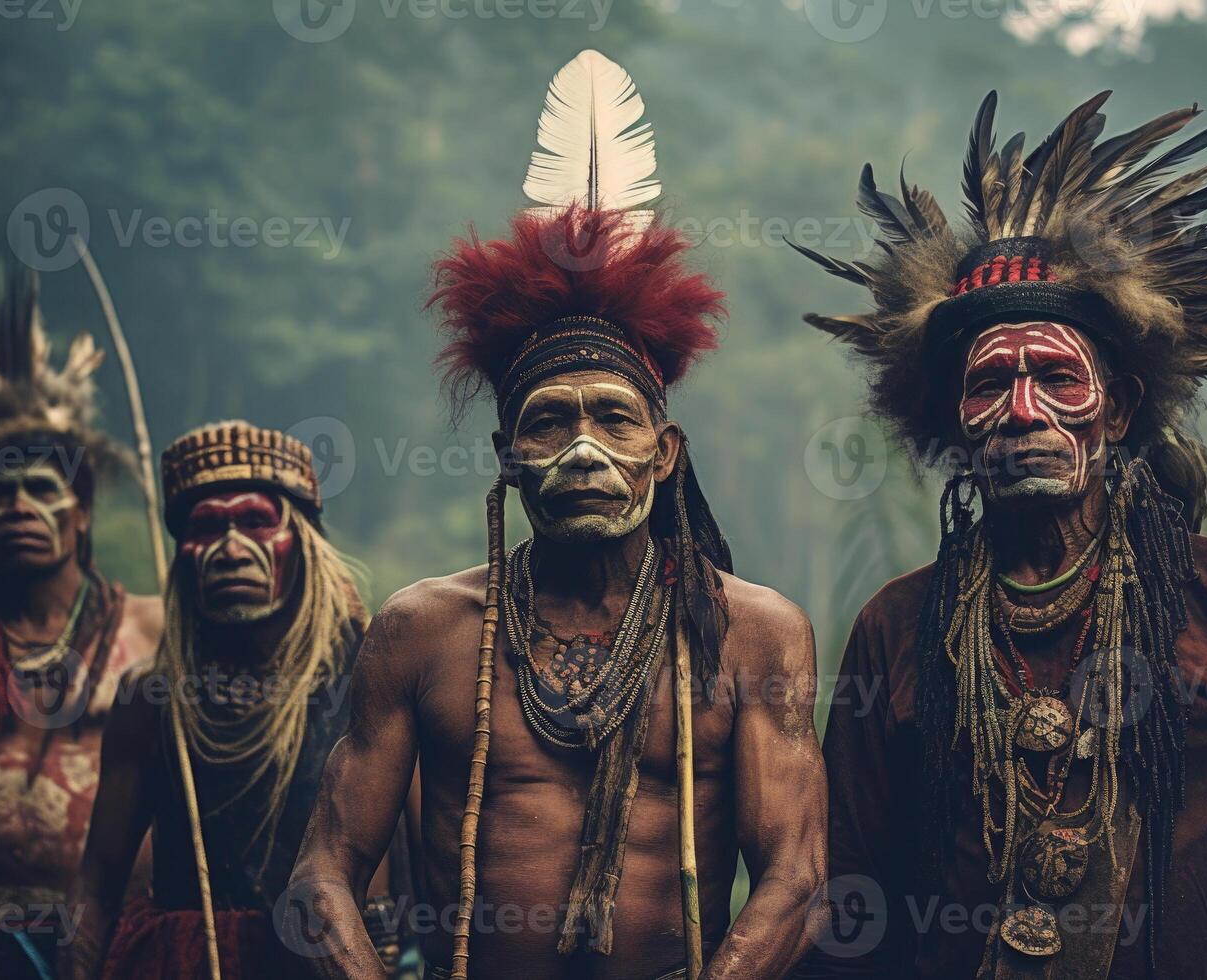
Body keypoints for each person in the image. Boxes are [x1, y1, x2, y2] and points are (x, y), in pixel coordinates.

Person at [792, 90, 1207, 978]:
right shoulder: (896, 627)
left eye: (1057, 377)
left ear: (1118, 410)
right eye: (990, 384)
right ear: (954, 425)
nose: (1021, 411)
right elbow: (845, 911)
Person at [288, 49, 827, 980]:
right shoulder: (426, 632)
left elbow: (797, 878)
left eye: (614, 417)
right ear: (508, 457)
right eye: (549, 422)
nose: (583, 449)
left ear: (664, 454)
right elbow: (324, 874)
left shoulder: (751, 634)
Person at [59, 421, 384, 979]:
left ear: (301, 541)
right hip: (190, 960)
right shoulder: (152, 698)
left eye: (257, 521)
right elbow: (100, 879)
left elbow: (439, 857)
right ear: (182, 552)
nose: (232, 549)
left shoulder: (371, 677)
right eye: (207, 527)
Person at [0, 261, 162, 978]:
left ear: (81, 511)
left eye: (41, 488)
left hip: (116, 945)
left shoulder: (149, 631)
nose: (19, 506)